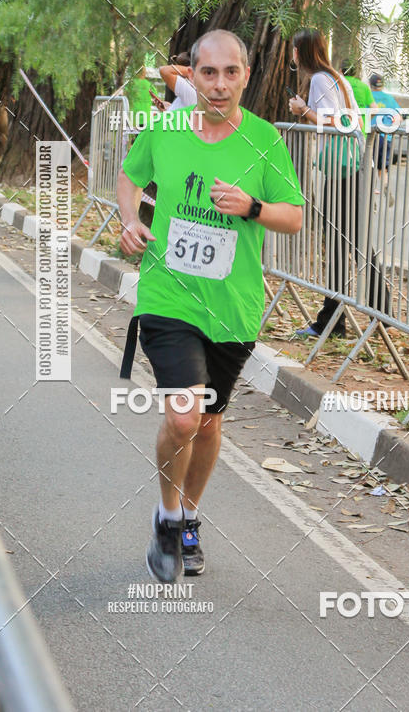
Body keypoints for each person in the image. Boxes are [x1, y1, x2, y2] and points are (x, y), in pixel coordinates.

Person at [117, 30, 304, 582]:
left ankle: (190, 516)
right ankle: (168, 518)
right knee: (185, 414)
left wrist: (252, 206)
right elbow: (129, 180)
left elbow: (293, 215)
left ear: (245, 76)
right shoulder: (167, 129)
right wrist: (130, 220)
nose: (219, 85)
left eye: (230, 73)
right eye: (208, 73)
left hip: (232, 307)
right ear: (190, 76)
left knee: (209, 421)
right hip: (168, 296)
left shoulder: (266, 141)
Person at [288, 29, 389, 338]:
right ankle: (362, 313)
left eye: (293, 49)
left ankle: (336, 320)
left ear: (302, 51)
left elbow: (337, 121)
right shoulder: (335, 77)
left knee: (340, 242)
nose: (291, 54)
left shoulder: (320, 79)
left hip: (344, 169)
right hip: (351, 166)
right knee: (350, 241)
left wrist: (302, 110)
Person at [369, 73, 401, 203]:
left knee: (369, 164)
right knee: (383, 167)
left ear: (370, 85)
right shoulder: (390, 99)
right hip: (386, 136)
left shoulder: (369, 96)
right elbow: (399, 117)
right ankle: (385, 186)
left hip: (371, 136)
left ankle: (370, 193)